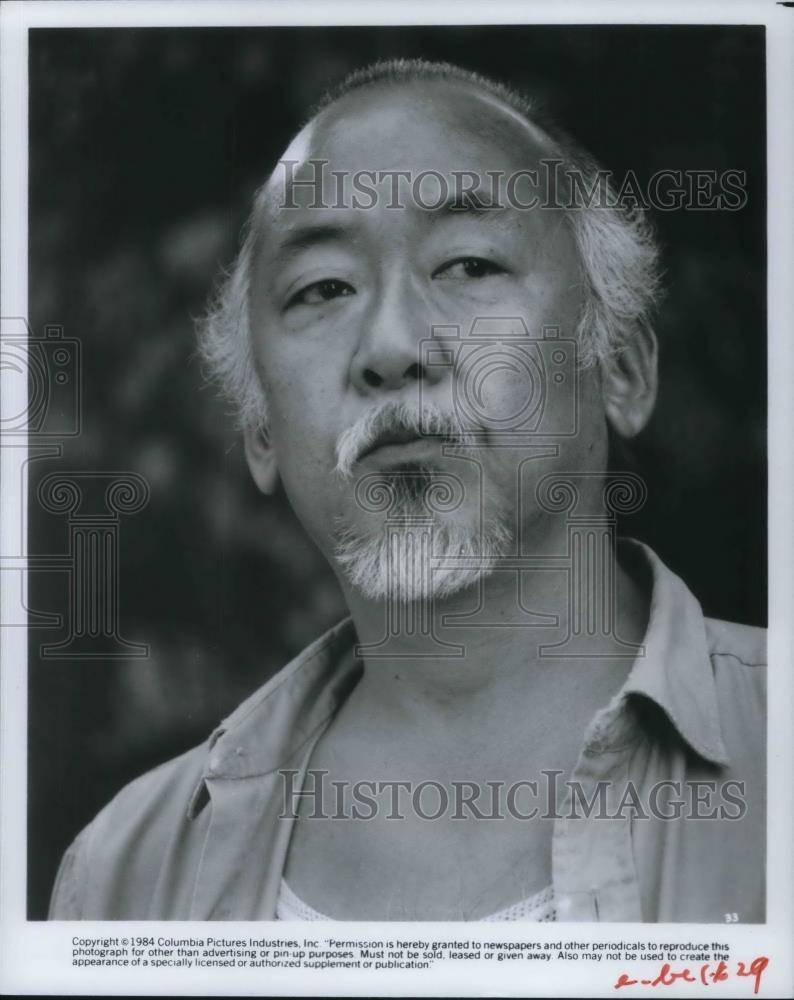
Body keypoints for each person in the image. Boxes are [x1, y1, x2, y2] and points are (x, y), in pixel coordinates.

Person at [49, 58, 765, 923]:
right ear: (261, 429)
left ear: (620, 368)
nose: (391, 346)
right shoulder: (124, 880)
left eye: (467, 265)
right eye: (324, 289)